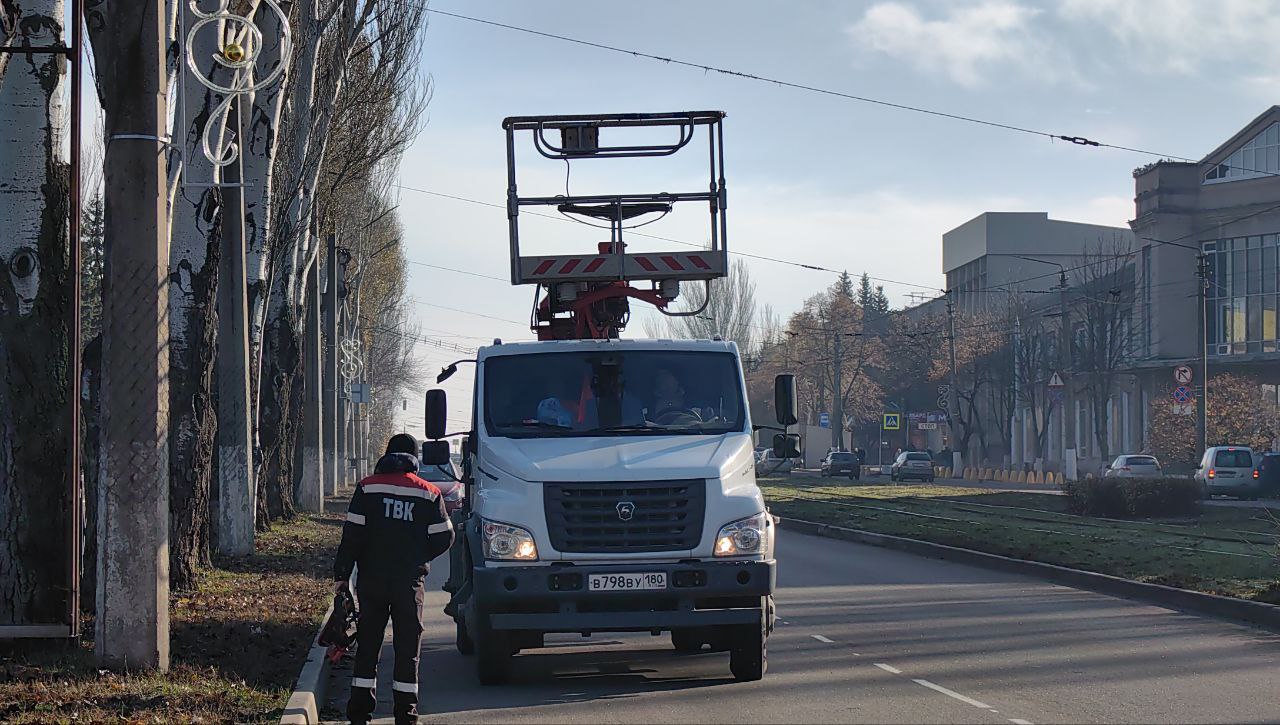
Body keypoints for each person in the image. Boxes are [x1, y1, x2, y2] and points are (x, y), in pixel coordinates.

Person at [335, 434, 455, 725]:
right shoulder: (427, 492)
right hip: (408, 583)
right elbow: (445, 536)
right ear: (414, 459)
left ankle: (360, 713)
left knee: (368, 645)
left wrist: (341, 576)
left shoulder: (367, 487)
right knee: (407, 648)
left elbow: (352, 536)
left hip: (372, 580)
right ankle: (406, 715)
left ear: (386, 455)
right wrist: (418, 556)